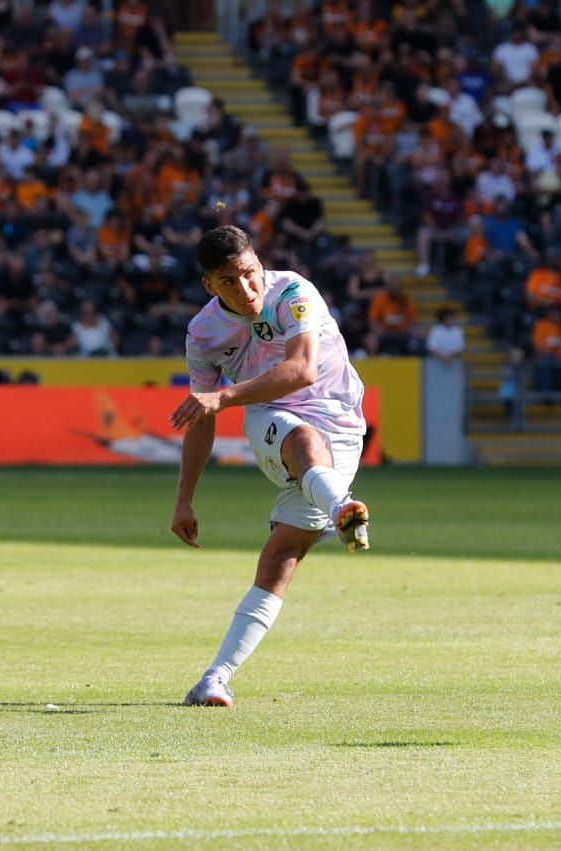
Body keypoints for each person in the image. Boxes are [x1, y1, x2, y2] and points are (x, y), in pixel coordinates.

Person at [171, 226, 370, 708]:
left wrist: (223, 396)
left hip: (341, 425)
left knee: (280, 557)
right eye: (229, 282)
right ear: (209, 287)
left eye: (249, 274)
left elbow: (302, 369)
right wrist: (184, 498)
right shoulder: (203, 332)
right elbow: (202, 416)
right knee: (302, 439)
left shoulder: (295, 293)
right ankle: (344, 509)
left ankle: (213, 679)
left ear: (260, 263)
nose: (246, 290)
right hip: (272, 418)